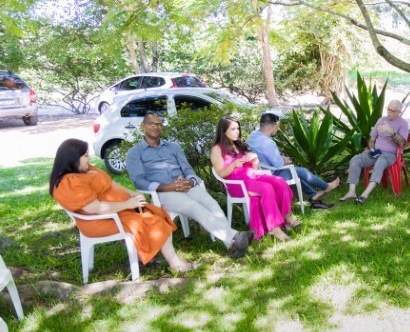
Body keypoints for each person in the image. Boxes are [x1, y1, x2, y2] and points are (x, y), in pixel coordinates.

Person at [51, 138, 193, 273]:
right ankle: (176, 264)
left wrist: (131, 193)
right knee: (154, 222)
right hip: (100, 220)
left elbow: (110, 183)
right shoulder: (69, 182)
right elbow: (93, 208)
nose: (89, 158)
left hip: (117, 211)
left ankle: (142, 254)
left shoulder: (85, 169)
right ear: (73, 158)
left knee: (155, 212)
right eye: (85, 155)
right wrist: (127, 204)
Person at [126, 112, 252, 259]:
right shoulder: (134, 153)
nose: (156, 127)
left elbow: (187, 170)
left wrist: (190, 181)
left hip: (186, 186)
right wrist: (168, 187)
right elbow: (139, 180)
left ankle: (231, 245)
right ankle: (234, 236)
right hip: (164, 192)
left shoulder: (173, 148)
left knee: (212, 204)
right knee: (194, 207)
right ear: (143, 125)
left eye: (159, 124)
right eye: (151, 123)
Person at [210, 116, 301, 242]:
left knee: (279, 182)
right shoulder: (217, 149)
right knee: (266, 188)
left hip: (253, 176)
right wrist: (234, 165)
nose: (237, 132)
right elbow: (221, 173)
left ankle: (287, 218)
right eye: (233, 129)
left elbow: (251, 168)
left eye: (238, 128)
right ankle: (274, 228)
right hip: (238, 184)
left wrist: (254, 161)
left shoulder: (239, 145)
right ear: (223, 131)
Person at [247, 113, 340, 210]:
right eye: (277, 127)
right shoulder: (268, 142)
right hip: (271, 175)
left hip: (259, 172)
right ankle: (325, 187)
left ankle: (314, 195)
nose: (278, 129)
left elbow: (265, 156)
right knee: (301, 171)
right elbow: (278, 164)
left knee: (295, 173)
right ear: (272, 126)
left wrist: (281, 158)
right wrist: (285, 160)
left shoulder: (252, 136)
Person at [340, 100, 410, 204]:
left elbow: (401, 143)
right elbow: (372, 139)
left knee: (380, 162)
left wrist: (392, 132)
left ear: (399, 112)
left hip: (390, 155)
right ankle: (351, 192)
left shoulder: (403, 123)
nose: (389, 112)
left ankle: (364, 195)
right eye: (388, 109)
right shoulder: (381, 120)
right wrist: (372, 149)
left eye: (392, 111)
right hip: (376, 152)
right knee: (356, 159)